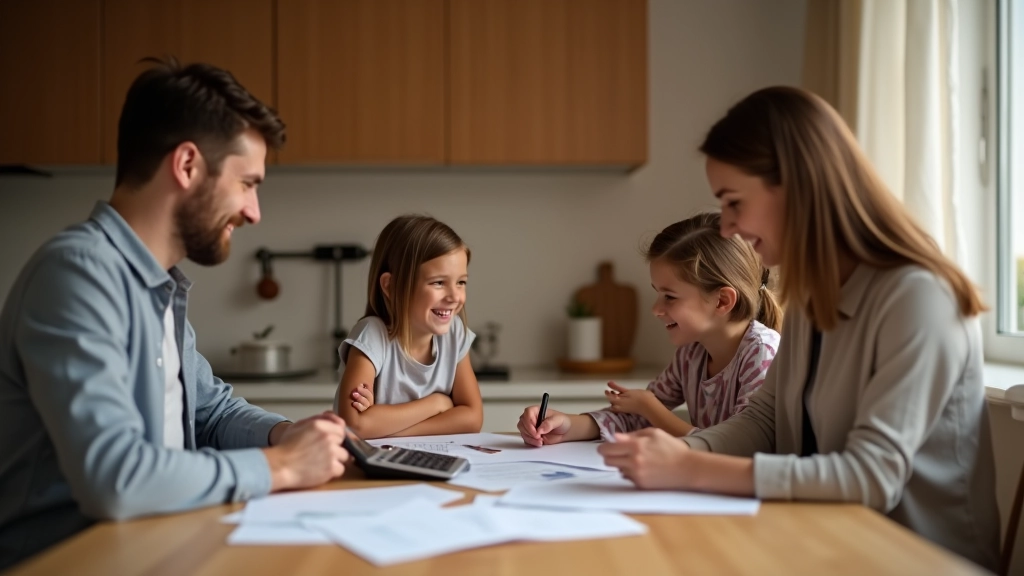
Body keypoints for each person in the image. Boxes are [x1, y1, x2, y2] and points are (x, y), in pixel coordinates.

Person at [597, 86, 1000, 571]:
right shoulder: (814, 293)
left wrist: (691, 466)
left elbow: (872, 476)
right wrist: (679, 450)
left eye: (733, 203)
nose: (726, 227)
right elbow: (763, 422)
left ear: (796, 186)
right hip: (823, 539)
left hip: (912, 558)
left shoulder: (919, 297)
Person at [0, 58, 350, 570]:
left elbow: (211, 412)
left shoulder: (155, 285)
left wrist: (287, 434)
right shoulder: (78, 274)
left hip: (155, 549)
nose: (254, 212)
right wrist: (280, 466)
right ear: (186, 166)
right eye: (248, 183)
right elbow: (115, 479)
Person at [517, 212, 781, 446]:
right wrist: (567, 425)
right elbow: (633, 417)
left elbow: (739, 448)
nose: (656, 309)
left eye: (670, 296)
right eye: (658, 294)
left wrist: (652, 409)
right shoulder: (691, 354)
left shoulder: (762, 353)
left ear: (722, 301)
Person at [334, 215, 483, 438]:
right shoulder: (372, 336)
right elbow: (355, 425)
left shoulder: (455, 332)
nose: (454, 297)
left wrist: (389, 428)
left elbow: (472, 418)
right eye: (438, 282)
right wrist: (437, 403)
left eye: (461, 282)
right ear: (390, 286)